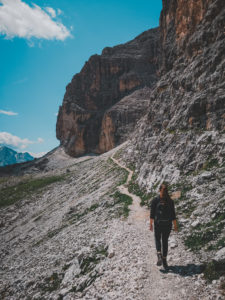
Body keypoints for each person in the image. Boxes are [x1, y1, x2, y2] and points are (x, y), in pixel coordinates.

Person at [149, 182, 178, 270]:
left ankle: (159, 255)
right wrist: (175, 226)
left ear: (159, 190)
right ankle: (164, 261)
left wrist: (150, 224)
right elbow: (173, 215)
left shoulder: (155, 200)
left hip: (158, 224)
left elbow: (152, 214)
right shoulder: (170, 201)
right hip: (167, 224)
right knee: (165, 241)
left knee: (157, 239)